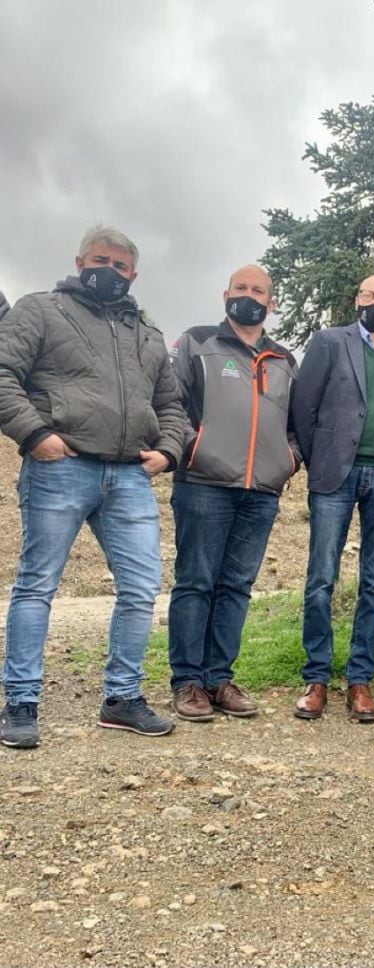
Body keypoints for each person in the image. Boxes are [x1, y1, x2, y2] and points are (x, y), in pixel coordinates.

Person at [0, 225, 186, 748]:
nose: (110, 269)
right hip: (61, 466)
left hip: (129, 474)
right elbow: (2, 372)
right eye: (101, 259)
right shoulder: (40, 310)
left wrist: (168, 450)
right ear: (80, 260)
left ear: (134, 274)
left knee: (141, 587)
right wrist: (35, 434)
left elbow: (171, 405)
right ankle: (20, 702)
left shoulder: (146, 333)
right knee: (38, 585)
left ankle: (122, 699)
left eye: (121, 265)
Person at [166, 265, 301, 721]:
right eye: (240, 288)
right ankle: (187, 682)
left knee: (236, 587)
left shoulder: (284, 360)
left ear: (272, 302)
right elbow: (170, 404)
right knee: (195, 583)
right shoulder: (197, 342)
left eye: (258, 290)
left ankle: (218, 678)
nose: (248, 296)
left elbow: (299, 426)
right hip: (203, 483)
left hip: (262, 490)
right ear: (225, 294)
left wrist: (288, 460)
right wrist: (193, 449)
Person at [290, 275, 374, 722]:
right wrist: (315, 456)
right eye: (368, 295)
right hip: (333, 475)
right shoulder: (328, 342)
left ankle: (360, 679)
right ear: (356, 300)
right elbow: (303, 406)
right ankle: (317, 678)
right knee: (321, 578)